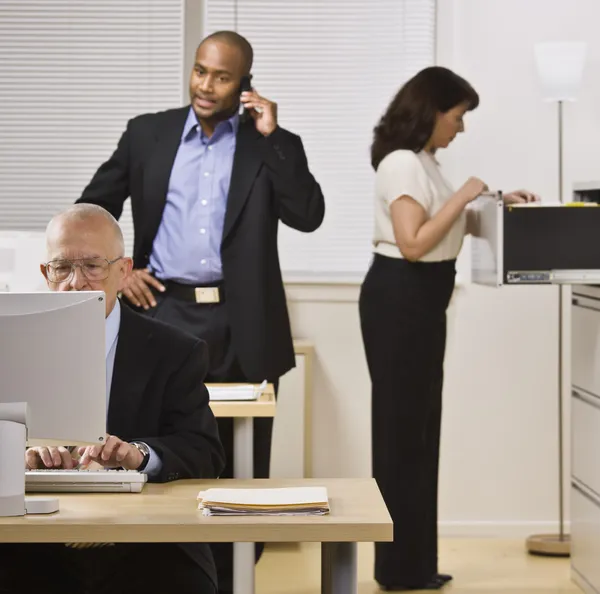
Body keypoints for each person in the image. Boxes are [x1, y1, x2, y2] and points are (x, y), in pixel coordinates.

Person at [76, 30, 324, 592]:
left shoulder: (270, 143)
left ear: (246, 86)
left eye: (222, 77)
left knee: (242, 475)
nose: (205, 86)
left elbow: (308, 214)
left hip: (245, 327)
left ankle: (232, 580)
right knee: (154, 457)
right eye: (200, 71)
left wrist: (275, 136)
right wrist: (123, 270)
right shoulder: (148, 133)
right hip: (161, 320)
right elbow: (92, 207)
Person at [359, 66, 538, 591]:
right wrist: (467, 194)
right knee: (400, 433)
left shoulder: (425, 164)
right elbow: (414, 242)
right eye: (458, 117)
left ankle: (414, 565)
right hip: (400, 298)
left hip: (420, 299)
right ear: (431, 111)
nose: (460, 128)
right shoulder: (400, 164)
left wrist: (496, 202)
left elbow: (447, 224)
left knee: (418, 430)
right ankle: (397, 568)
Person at [0, 204, 225, 594]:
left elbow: (204, 450)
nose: (75, 283)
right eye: (62, 268)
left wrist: (138, 454)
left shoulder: (175, 351)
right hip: (31, 537)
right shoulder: (10, 342)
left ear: (123, 271)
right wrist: (18, 456)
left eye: (92, 266)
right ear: (45, 274)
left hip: (146, 542)